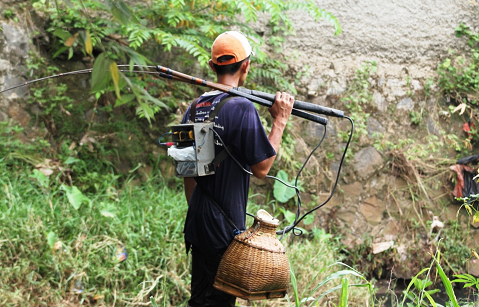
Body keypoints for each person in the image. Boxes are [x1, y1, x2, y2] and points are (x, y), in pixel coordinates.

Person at [181, 31, 294, 307]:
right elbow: (262, 167)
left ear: (212, 67)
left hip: (197, 221)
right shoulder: (242, 107)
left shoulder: (195, 107)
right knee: (218, 301)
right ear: (246, 66)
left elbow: (188, 172)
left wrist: (200, 212)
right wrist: (279, 122)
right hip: (224, 227)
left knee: (200, 298)